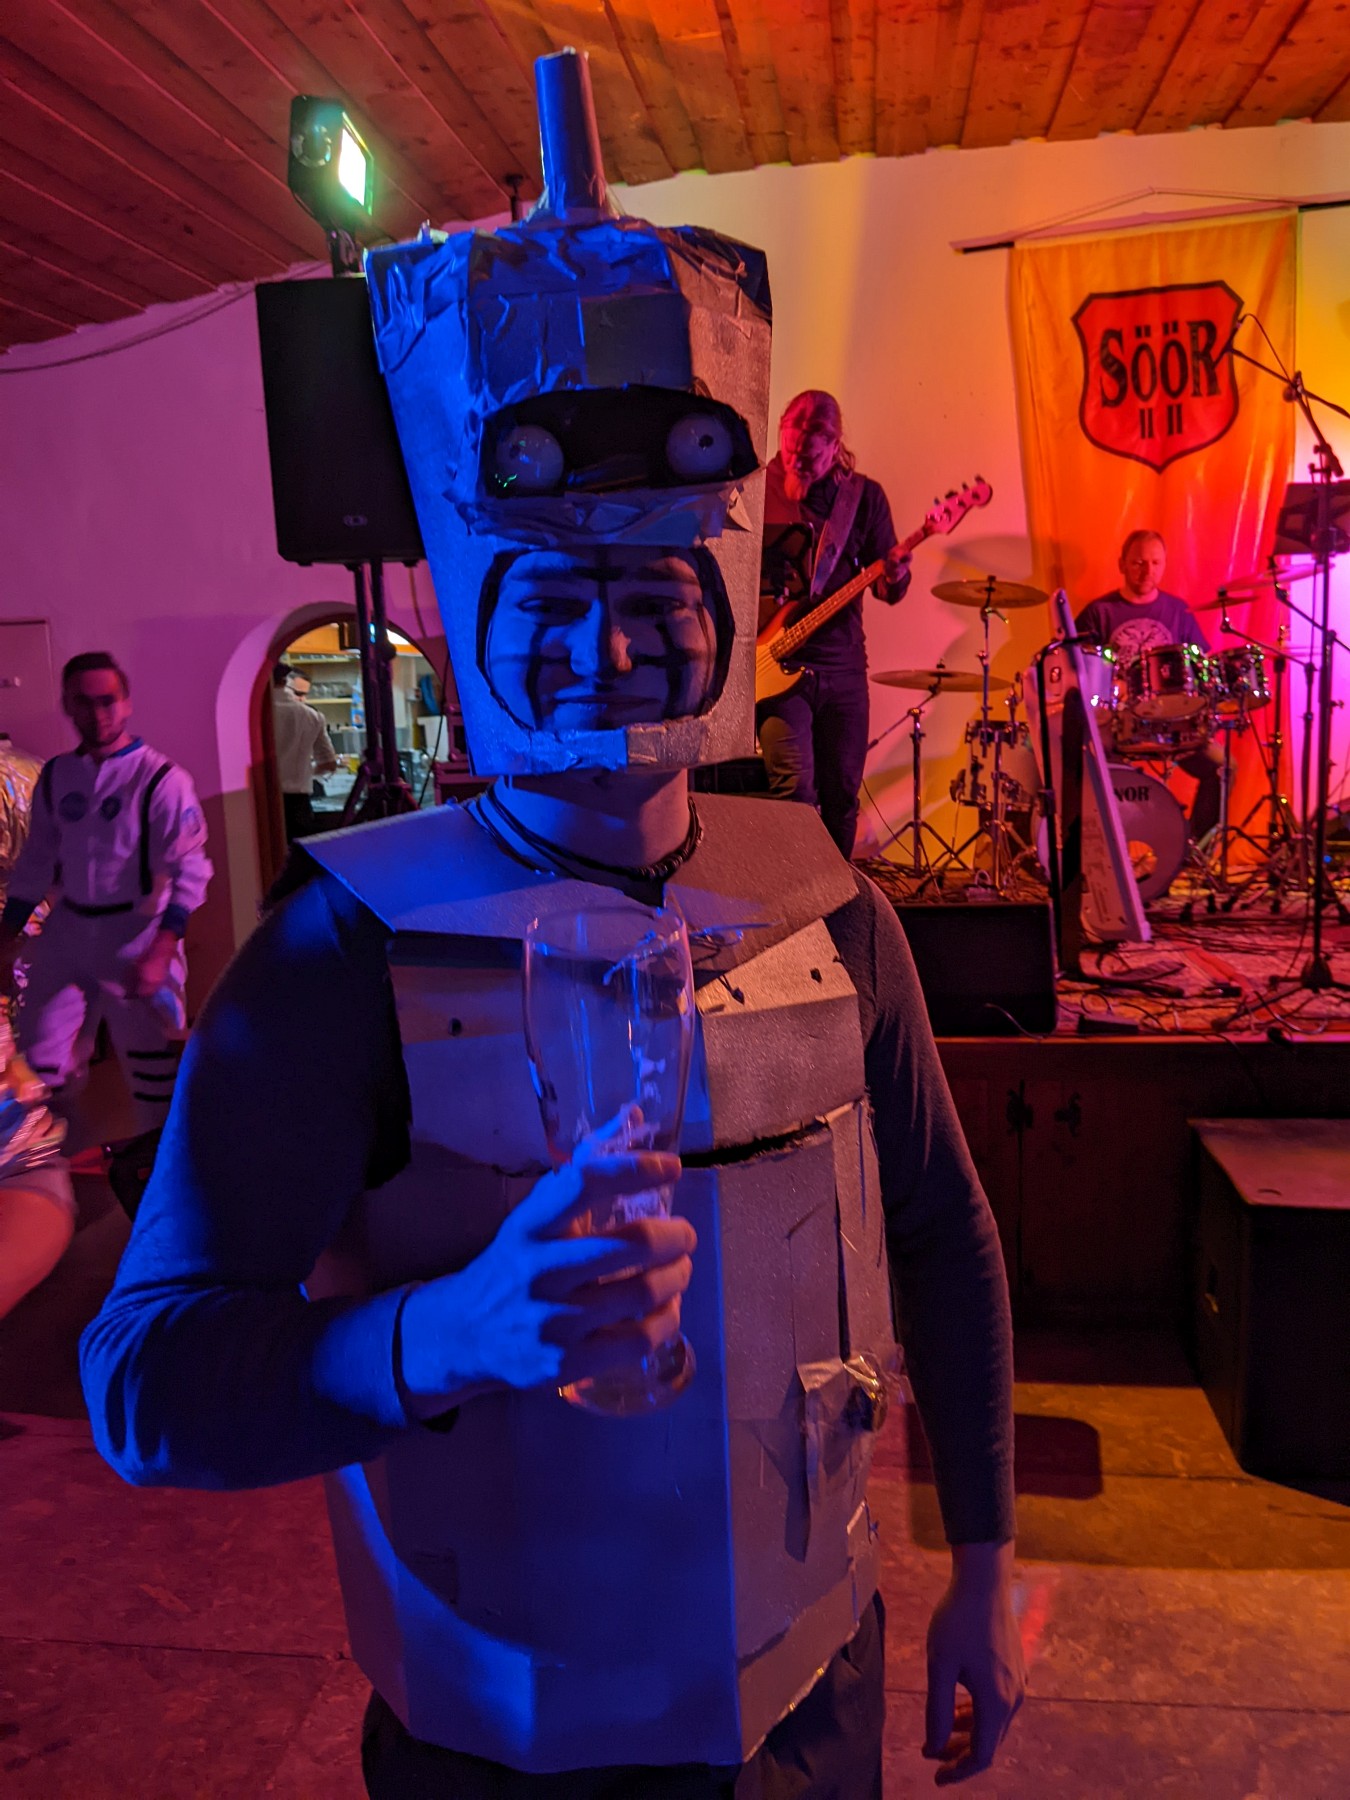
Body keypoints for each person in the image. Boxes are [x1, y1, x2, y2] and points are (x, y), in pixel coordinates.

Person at [80, 49, 1021, 1799]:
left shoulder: (835, 909)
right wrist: (452, 1333)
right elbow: (143, 1383)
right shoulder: (344, 955)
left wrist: (983, 1559)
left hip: (818, 1702)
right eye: (552, 598)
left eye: (654, 590)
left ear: (723, 594)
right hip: (500, 1751)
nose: (608, 647)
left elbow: (946, 1245)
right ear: (467, 606)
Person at [0, 653, 212, 1185]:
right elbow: (36, 862)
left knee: (151, 1067)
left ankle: (164, 1177)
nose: (97, 715)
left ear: (126, 703)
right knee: (41, 1059)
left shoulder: (160, 778)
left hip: (136, 931)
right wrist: (6, 935)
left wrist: (163, 948)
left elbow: (190, 869)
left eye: (107, 701)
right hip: (70, 926)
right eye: (84, 703)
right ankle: (50, 1176)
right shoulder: (57, 777)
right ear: (67, 705)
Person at [756, 390, 912, 857]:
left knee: (842, 798)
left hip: (843, 669)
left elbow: (889, 590)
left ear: (835, 446)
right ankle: (794, 891)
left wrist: (895, 575)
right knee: (793, 794)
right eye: (789, 452)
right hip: (774, 666)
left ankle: (837, 892)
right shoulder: (754, 489)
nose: (796, 464)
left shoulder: (863, 498)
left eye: (808, 459)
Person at [1075, 529, 1223, 840]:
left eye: (1155, 563)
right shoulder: (1098, 613)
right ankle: (1103, 847)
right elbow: (1076, 670)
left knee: (1224, 768)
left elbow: (1201, 668)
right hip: (1119, 728)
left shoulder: (1178, 611)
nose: (1147, 571)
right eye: (1139, 563)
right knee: (1085, 765)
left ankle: (1191, 849)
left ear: (1164, 565)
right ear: (1122, 564)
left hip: (1172, 727)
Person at [271, 662, 339, 840]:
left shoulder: (255, 714)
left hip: (265, 801)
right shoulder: (312, 716)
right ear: (286, 682)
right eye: (299, 693)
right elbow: (329, 764)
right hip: (299, 802)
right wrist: (304, 771)